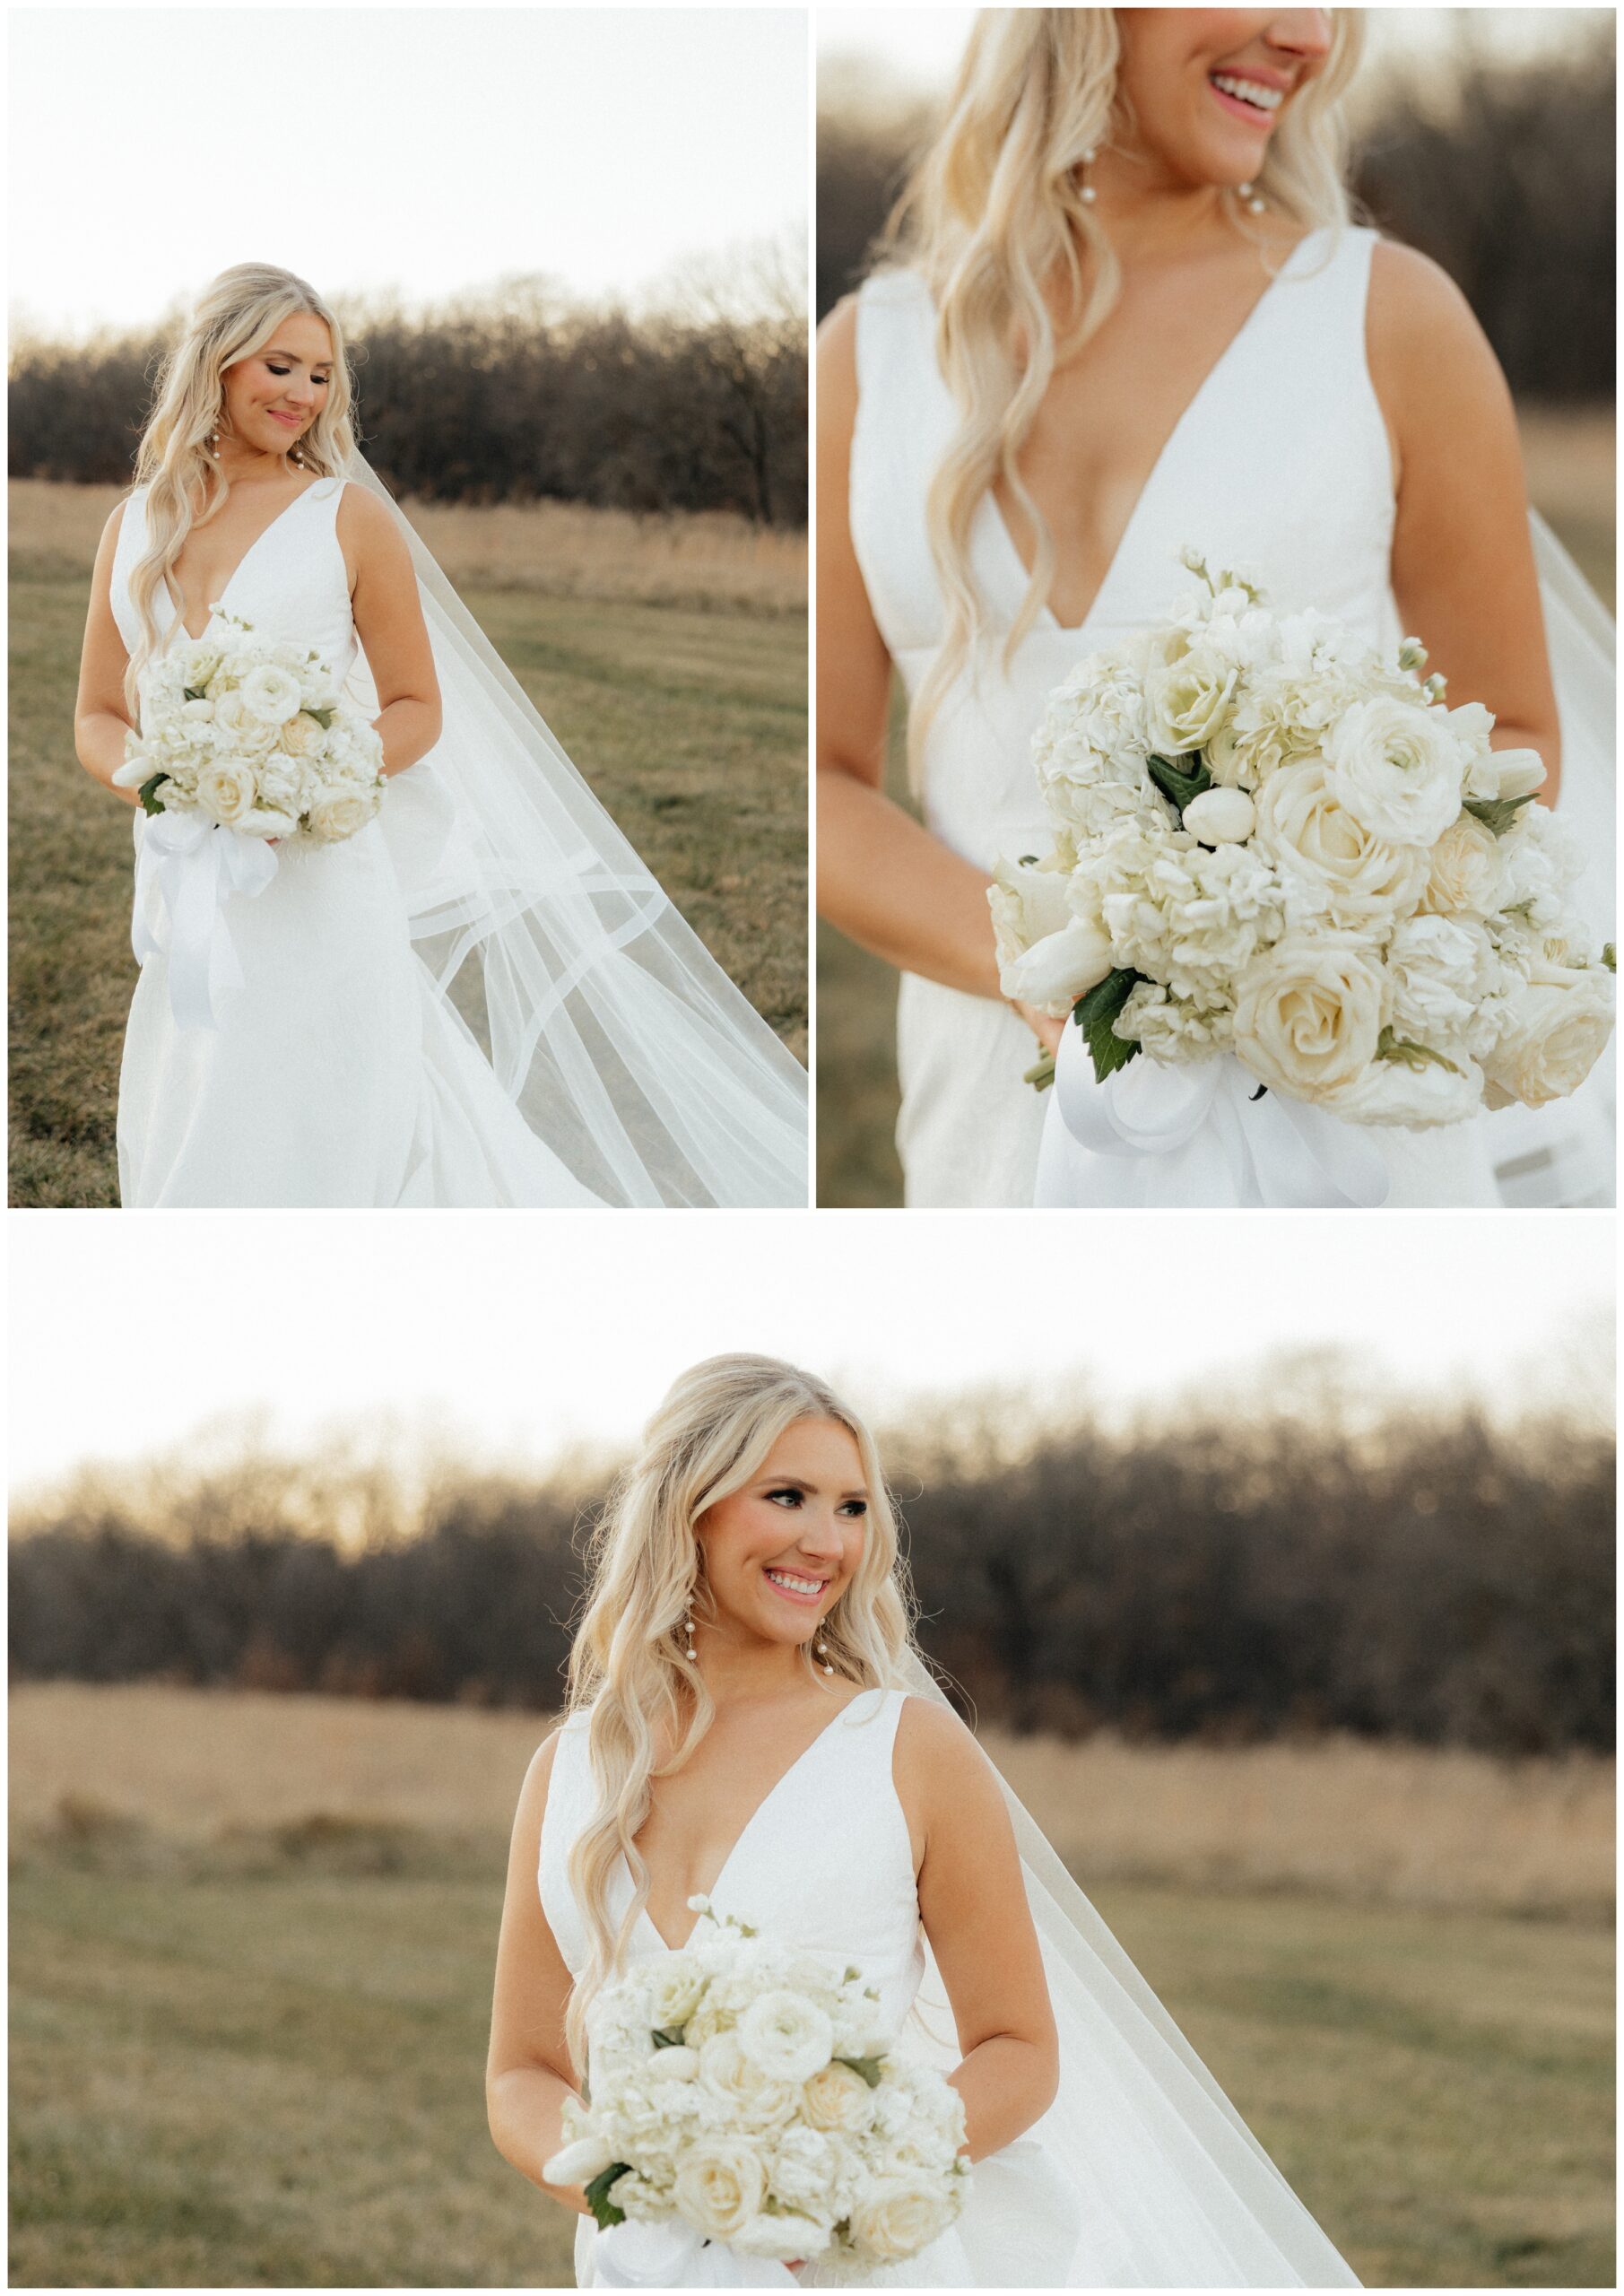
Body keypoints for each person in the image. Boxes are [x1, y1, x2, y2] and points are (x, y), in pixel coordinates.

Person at [816, 8, 1612, 1209]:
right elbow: (817, 783)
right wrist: (1057, 967)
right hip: (994, 1111)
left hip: (1324, 1115)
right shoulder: (860, 360)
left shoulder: (1387, 319)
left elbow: (1508, 736)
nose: (1303, 34)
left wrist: (1281, 933)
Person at [487, 1353, 1360, 2287]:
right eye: (787, 1496)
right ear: (685, 1505)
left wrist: (830, 2189)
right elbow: (522, 2072)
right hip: (643, 2264)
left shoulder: (907, 1750)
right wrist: (647, 2189)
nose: (827, 1541)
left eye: (852, 1506)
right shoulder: (569, 1767)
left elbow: (1017, 2050)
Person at [75, 265, 808, 1207]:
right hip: (188, 873)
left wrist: (298, 782)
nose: (304, 394)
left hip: (320, 875)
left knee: (336, 1122)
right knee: (202, 1096)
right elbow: (98, 713)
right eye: (280, 366)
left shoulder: (345, 517)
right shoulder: (131, 525)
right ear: (215, 364)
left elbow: (415, 704)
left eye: (321, 375)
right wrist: (162, 784)